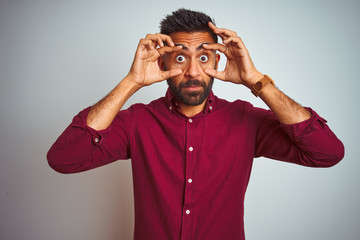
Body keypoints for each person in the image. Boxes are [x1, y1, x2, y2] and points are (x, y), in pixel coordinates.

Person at [47, 8, 344, 240]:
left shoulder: (246, 120)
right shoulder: (137, 122)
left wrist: (256, 81)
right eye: (179, 58)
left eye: (203, 57)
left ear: (217, 60)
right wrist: (132, 81)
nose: (192, 71)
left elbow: (327, 152)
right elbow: (63, 159)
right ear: (162, 64)